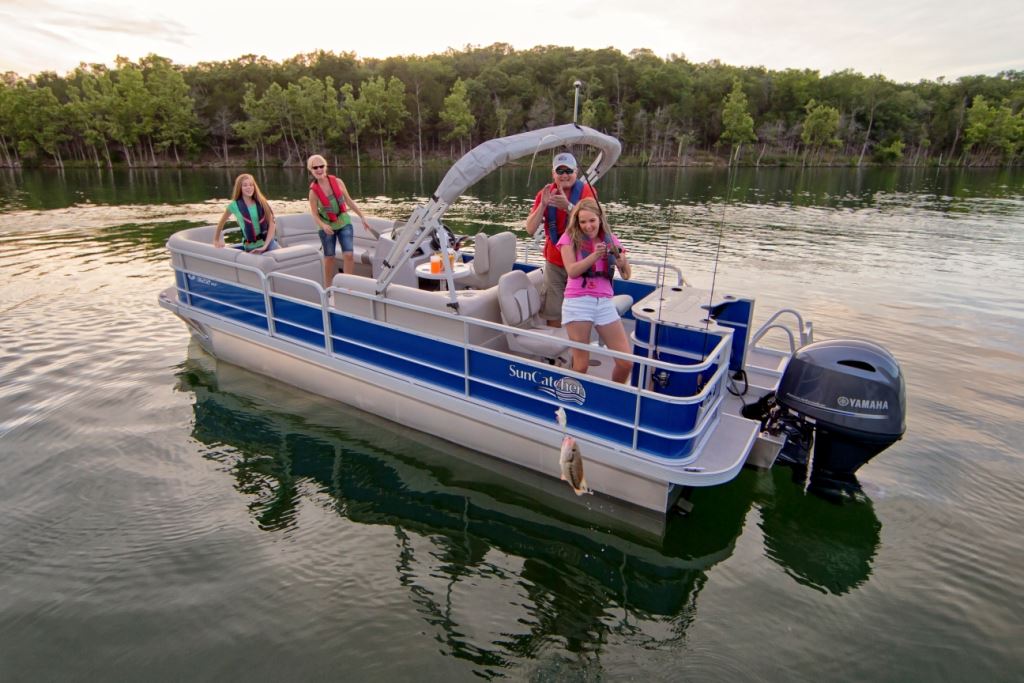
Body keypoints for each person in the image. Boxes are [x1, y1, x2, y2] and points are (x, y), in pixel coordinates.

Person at [557, 198, 633, 383]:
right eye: (582, 222)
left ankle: (612, 395)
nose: (588, 226)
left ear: (600, 219)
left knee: (626, 362)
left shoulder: (610, 238)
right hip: (578, 302)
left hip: (604, 303)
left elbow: (626, 275)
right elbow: (572, 271)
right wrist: (594, 256)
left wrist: (622, 261)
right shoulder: (568, 239)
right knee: (581, 365)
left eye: (592, 220)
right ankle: (571, 400)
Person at [525, 152, 596, 327]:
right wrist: (542, 205)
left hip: (581, 261)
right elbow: (530, 229)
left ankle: (576, 347)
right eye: (560, 170)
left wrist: (568, 207)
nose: (564, 175)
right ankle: (554, 350)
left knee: (580, 310)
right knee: (553, 309)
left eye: (568, 171)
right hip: (555, 263)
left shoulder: (587, 191)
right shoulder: (545, 193)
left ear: (576, 172)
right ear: (553, 174)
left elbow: (592, 227)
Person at [307, 154, 369, 286]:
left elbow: (348, 201)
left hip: (343, 222)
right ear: (311, 170)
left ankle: (348, 286)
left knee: (348, 255)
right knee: (329, 257)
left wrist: (362, 216)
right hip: (327, 226)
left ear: (325, 167)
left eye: (321, 166)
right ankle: (328, 287)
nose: (319, 169)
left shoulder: (338, 182)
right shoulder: (313, 192)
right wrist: (323, 225)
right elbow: (314, 213)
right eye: (315, 167)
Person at [213, 173, 279, 253]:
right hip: (252, 247)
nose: (249, 187)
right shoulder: (233, 205)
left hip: (269, 243)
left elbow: (272, 223)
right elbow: (221, 223)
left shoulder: (262, 202)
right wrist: (216, 240)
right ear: (239, 188)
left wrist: (265, 246)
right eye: (245, 185)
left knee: (284, 258)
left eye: (251, 185)